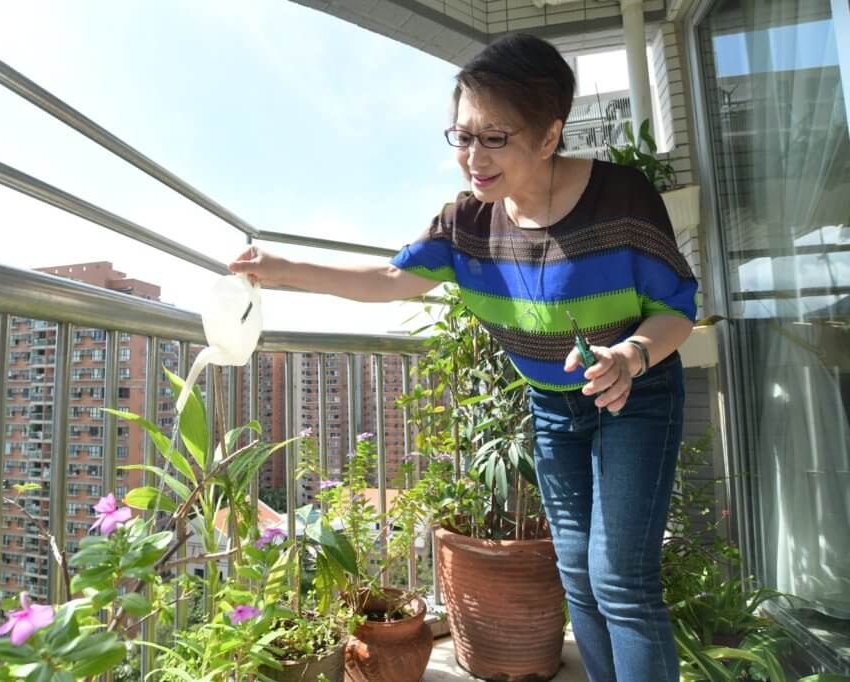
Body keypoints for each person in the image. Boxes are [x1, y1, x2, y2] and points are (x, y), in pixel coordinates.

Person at [229, 33, 696, 682]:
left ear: (548, 134)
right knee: (578, 578)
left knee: (619, 580)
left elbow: (678, 309)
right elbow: (390, 280)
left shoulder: (621, 198)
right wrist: (282, 269)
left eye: (494, 137)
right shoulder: (466, 226)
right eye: (462, 135)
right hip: (555, 409)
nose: (473, 157)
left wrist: (630, 355)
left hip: (636, 397)